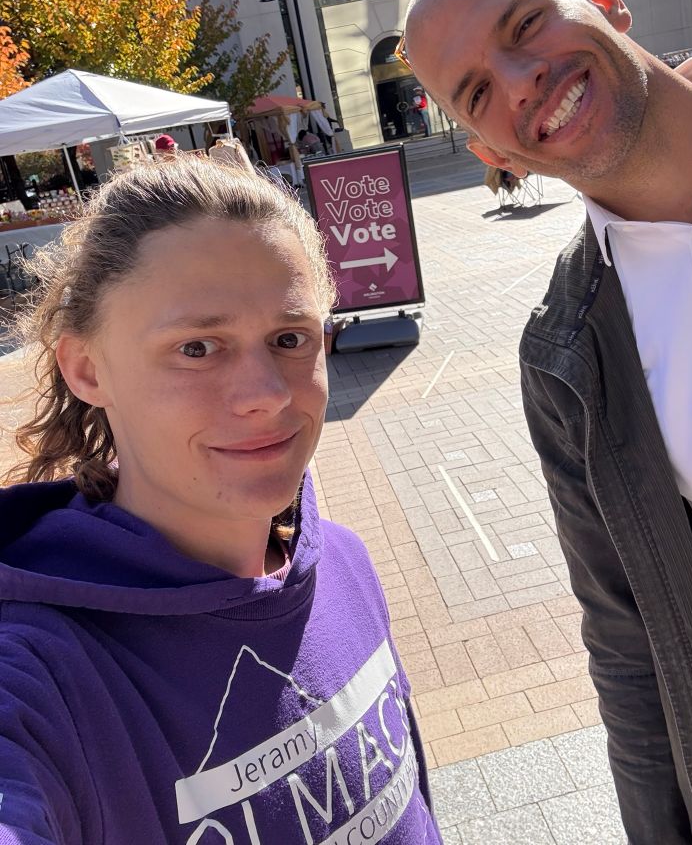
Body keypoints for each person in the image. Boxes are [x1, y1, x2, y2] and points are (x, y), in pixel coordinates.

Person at [403, 0, 692, 844]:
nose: (521, 80)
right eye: (477, 93)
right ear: (487, 149)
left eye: (526, 24)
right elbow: (634, 647)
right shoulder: (569, 355)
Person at [0, 157, 443, 844]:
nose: (266, 392)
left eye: (290, 339)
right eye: (198, 348)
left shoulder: (343, 565)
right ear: (86, 368)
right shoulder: (45, 675)